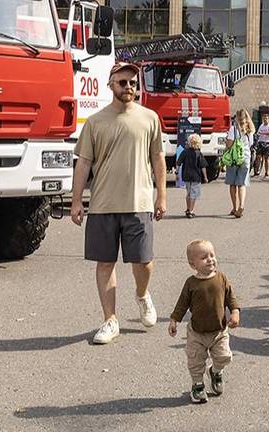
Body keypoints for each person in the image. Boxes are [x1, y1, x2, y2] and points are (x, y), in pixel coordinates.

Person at [69, 62, 167, 345]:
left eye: (133, 83)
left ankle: (141, 294)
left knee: (144, 261)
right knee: (105, 263)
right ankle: (110, 320)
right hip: (102, 205)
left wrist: (162, 195)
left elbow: (158, 158)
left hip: (140, 203)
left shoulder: (150, 118)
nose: (129, 88)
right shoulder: (96, 122)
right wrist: (77, 201)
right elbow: (83, 163)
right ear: (110, 84)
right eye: (122, 82)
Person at [169, 239, 240, 404]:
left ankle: (215, 371)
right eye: (204, 257)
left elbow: (231, 298)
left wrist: (235, 312)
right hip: (197, 333)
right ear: (193, 264)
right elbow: (182, 304)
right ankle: (198, 385)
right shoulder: (191, 283)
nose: (210, 259)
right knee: (195, 361)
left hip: (219, 331)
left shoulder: (221, 278)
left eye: (212, 255)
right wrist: (174, 320)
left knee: (224, 357)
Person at [224, 110, 254, 218]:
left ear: (236, 118)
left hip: (233, 159)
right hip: (245, 157)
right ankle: (242, 205)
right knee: (242, 184)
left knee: (232, 184)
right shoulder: (250, 130)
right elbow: (251, 144)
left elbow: (230, 145)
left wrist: (226, 141)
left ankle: (235, 207)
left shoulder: (233, 129)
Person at [178, 135, 209, 218]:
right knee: (193, 194)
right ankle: (191, 211)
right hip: (196, 177)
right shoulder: (199, 153)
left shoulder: (185, 152)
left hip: (186, 176)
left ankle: (188, 209)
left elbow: (178, 162)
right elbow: (203, 166)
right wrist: (205, 177)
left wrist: (177, 172)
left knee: (188, 193)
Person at [254, 114, 269, 178]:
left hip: (267, 143)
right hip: (260, 142)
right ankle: (256, 172)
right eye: (264, 118)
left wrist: (263, 133)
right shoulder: (261, 126)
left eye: (266, 118)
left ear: (268, 119)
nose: (265, 120)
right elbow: (258, 133)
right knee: (258, 157)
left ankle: (266, 173)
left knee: (266, 158)